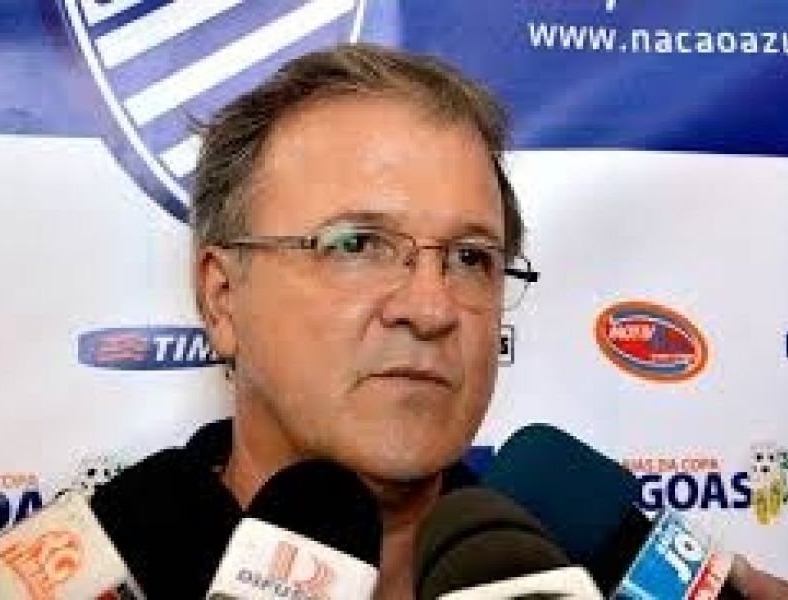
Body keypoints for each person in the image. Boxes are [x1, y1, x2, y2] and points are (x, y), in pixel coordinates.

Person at [91, 43, 788, 599]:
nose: (431, 309)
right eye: (356, 245)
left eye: (470, 257)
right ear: (221, 298)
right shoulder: (103, 569)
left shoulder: (589, 568)